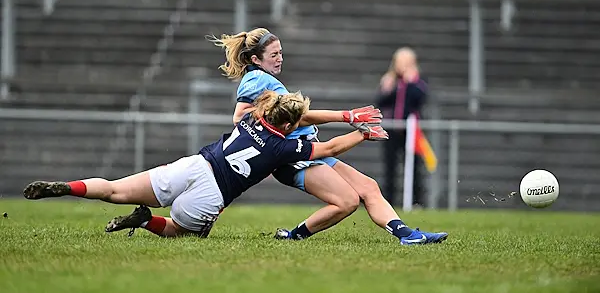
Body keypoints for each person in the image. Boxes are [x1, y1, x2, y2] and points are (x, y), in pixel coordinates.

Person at [22, 90, 389, 238]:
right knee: (181, 233)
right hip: (214, 192)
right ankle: (147, 219)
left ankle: (66, 187)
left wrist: (339, 118)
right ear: (292, 126)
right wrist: (362, 133)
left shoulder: (251, 119)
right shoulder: (283, 148)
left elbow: (299, 116)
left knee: (115, 188)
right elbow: (327, 150)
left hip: (195, 166)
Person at [208, 28, 447, 245]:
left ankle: (407, 235)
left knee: (368, 187)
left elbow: (296, 117)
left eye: (281, 52)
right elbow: (240, 117)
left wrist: (347, 119)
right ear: (255, 59)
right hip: (293, 158)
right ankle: (293, 237)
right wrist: (346, 117)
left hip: (305, 150)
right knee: (348, 201)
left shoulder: (264, 79)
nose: (280, 58)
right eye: (273, 55)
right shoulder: (257, 79)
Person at [376, 47, 428, 207]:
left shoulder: (418, 82)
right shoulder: (390, 80)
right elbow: (380, 100)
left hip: (411, 131)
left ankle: (416, 202)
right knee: (390, 166)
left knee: (413, 167)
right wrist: (389, 88)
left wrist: (410, 83)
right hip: (391, 129)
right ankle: (388, 201)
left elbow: (420, 99)